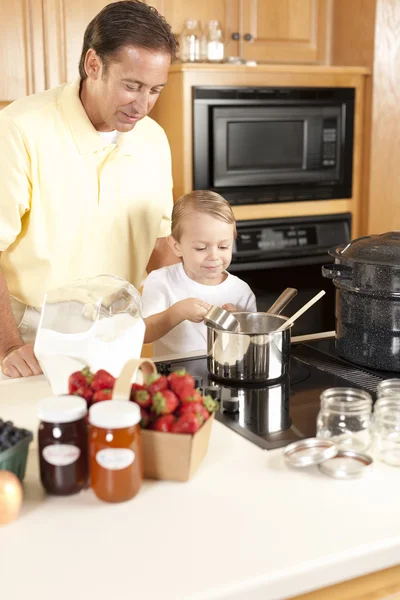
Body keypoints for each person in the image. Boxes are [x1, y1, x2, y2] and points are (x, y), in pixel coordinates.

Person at [0, 1, 179, 378]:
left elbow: (161, 246)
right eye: (132, 86)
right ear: (93, 64)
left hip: (121, 332)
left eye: (155, 90)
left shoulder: (154, 140)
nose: (143, 105)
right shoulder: (20, 129)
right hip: (31, 338)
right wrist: (10, 345)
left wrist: (208, 291)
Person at [141, 191, 257, 356]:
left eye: (223, 246)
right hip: (173, 378)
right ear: (176, 246)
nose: (214, 256)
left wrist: (238, 324)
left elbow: (251, 344)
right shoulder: (161, 281)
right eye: (201, 248)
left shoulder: (241, 291)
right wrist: (177, 312)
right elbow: (143, 334)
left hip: (226, 375)